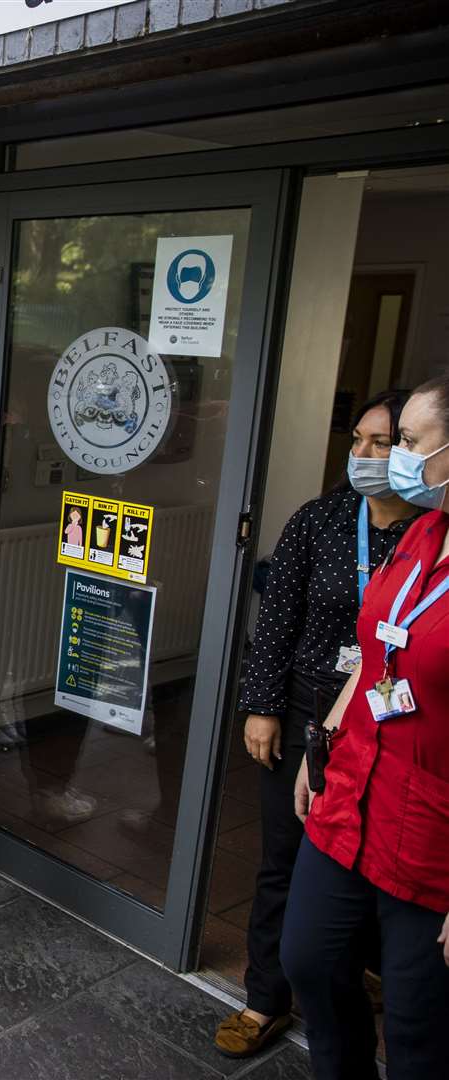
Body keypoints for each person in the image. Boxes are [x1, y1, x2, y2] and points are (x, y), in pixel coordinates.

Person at [214, 390, 420, 1059]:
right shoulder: (322, 520)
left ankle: (356, 972)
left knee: (368, 858)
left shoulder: (426, 538)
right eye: (356, 439)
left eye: (381, 443)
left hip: (388, 718)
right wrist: (263, 706)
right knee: (284, 859)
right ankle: (264, 997)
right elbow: (275, 623)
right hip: (308, 706)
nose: (362, 453)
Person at [283, 374, 449, 1080]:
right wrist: (318, 743)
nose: (397, 457)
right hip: (350, 798)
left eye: (410, 442)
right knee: (310, 961)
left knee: (417, 1034)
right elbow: (378, 650)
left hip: (430, 839)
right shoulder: (422, 535)